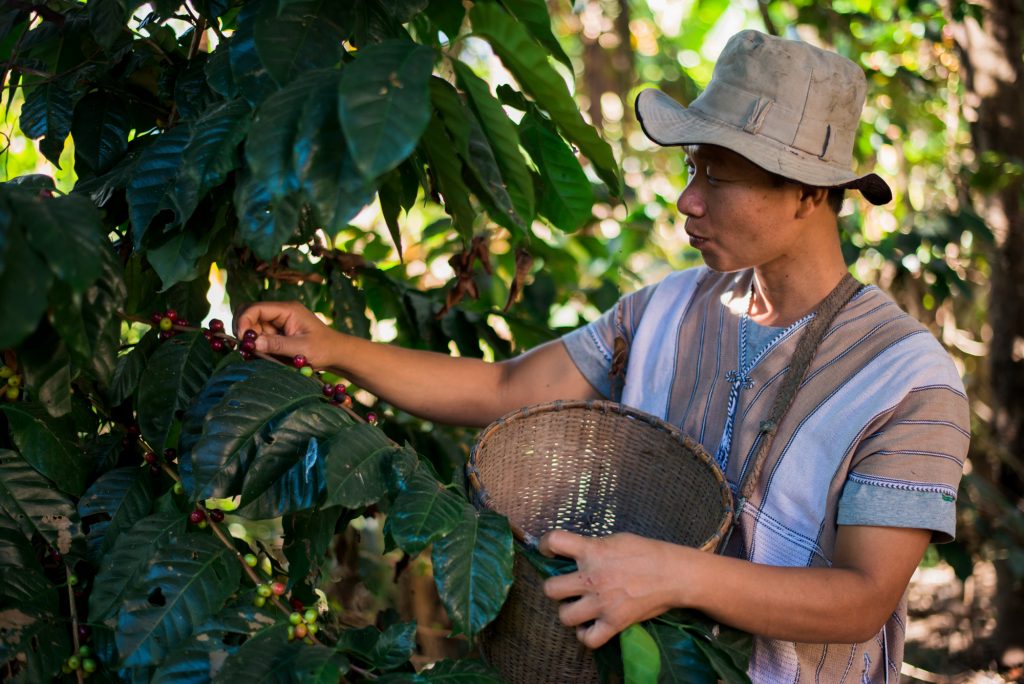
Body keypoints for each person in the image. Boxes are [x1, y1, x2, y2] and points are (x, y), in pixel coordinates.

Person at [237, 30, 969, 683]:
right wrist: (331, 347)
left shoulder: (907, 383)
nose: (687, 200)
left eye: (717, 176)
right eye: (692, 168)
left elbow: (863, 599)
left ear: (809, 193)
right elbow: (504, 385)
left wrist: (674, 574)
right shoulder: (669, 310)